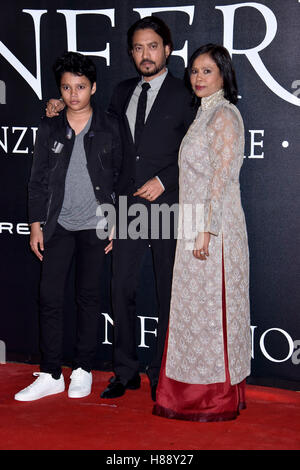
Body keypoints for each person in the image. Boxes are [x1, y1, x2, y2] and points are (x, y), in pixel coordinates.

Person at [45, 17, 196, 402]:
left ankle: (161, 373)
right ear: (131, 53)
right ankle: (124, 371)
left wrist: (165, 181)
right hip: (127, 206)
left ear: (168, 49)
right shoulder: (120, 92)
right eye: (138, 47)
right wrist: (60, 104)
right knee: (121, 289)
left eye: (153, 46)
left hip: (167, 205)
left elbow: (198, 155)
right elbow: (98, 132)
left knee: (166, 291)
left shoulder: (185, 94)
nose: (145, 54)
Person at [14, 52, 121, 402]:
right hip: (57, 224)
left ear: (92, 88)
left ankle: (83, 369)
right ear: (59, 91)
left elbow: (121, 178)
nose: (73, 94)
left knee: (89, 298)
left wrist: (118, 220)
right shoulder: (50, 127)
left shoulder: (110, 126)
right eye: (66, 87)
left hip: (95, 226)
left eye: (80, 86)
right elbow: (37, 182)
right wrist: (35, 225)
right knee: (49, 297)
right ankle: (50, 373)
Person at [152, 44, 251, 422]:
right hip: (193, 221)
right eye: (194, 71)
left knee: (211, 310)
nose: (198, 78)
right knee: (193, 311)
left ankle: (210, 398)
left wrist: (207, 231)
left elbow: (222, 182)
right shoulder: (203, 114)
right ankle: (189, 392)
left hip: (216, 227)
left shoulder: (224, 115)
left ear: (224, 74)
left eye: (207, 71)